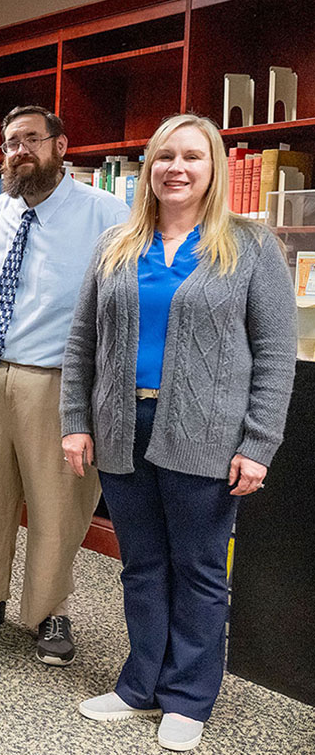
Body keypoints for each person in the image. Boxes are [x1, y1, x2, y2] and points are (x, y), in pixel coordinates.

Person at [61, 113, 295, 752]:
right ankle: (140, 685)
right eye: (165, 157)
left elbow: (274, 354)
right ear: (149, 169)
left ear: (213, 168)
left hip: (208, 435)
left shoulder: (249, 247)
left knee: (197, 569)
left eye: (192, 156)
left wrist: (259, 443)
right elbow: (83, 340)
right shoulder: (117, 244)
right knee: (140, 564)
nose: (177, 168)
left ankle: (190, 696)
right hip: (120, 425)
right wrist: (75, 424)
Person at [0, 106, 129, 667]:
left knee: (57, 503)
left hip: (57, 383)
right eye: (10, 142)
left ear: (61, 145)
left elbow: (121, 308)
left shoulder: (108, 214)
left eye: (31, 140)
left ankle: (47, 613)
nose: (19, 151)